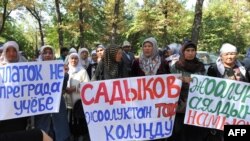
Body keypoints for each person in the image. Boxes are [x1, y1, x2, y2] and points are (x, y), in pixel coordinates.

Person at [206, 43, 250, 141]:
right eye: (227, 54)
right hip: (220, 110)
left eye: (232, 54)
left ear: (236, 55)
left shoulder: (243, 69)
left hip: (239, 111)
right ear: (221, 56)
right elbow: (208, 89)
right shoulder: (213, 69)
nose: (230, 57)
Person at [130, 37, 170, 141]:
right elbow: (131, 80)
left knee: (156, 129)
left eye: (150, 46)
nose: (147, 49)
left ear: (155, 47)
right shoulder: (136, 62)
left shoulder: (163, 62)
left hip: (159, 101)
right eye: (145, 46)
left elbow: (169, 80)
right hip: (141, 102)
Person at [168, 41, 208, 141]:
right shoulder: (176, 67)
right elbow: (170, 85)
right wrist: (180, 81)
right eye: (188, 50)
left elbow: (206, 84)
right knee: (179, 133)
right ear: (183, 52)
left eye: (193, 50)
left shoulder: (201, 67)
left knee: (194, 134)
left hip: (197, 105)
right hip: (180, 106)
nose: (190, 53)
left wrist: (194, 81)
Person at [34, 45, 70, 141]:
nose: (48, 55)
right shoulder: (34, 69)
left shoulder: (59, 68)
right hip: (42, 109)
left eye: (50, 53)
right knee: (44, 134)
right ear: (41, 55)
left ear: (53, 55)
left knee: (60, 134)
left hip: (58, 107)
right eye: (45, 53)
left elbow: (62, 88)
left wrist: (65, 75)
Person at [65, 52, 90, 140]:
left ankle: (80, 137)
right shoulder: (65, 70)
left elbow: (87, 86)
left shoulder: (82, 71)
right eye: (72, 58)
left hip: (79, 102)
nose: (74, 60)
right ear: (69, 59)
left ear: (78, 60)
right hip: (67, 103)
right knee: (68, 122)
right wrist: (65, 89)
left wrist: (75, 88)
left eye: (76, 58)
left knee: (79, 121)